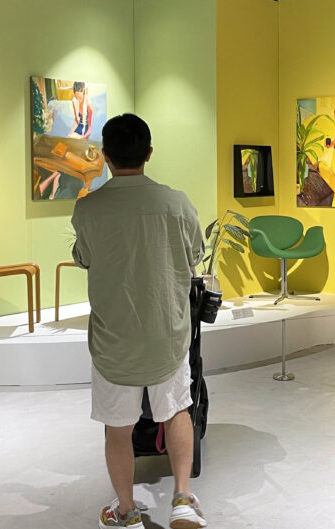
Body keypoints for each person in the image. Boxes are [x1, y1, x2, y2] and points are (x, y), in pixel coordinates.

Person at [71, 114, 207, 529]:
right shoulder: (176, 203)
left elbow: (84, 257)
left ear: (105, 155)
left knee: (118, 428)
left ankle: (127, 510)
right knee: (177, 412)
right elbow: (195, 255)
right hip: (167, 334)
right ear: (148, 153)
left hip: (114, 339)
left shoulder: (88, 208)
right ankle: (182, 498)